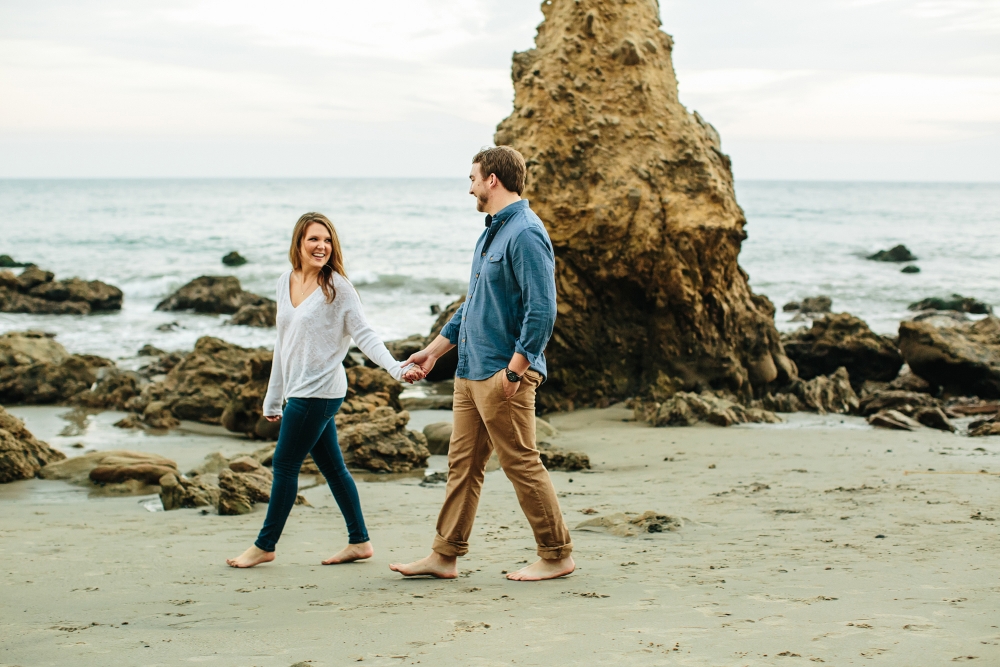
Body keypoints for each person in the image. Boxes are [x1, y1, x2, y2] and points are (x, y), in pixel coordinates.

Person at [389, 146, 574, 582]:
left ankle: (556, 554)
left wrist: (515, 369)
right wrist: (433, 351)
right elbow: (473, 304)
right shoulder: (492, 232)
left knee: (520, 463)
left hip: (501, 373)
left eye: (473, 176)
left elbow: (542, 309)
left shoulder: (526, 232)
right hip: (469, 370)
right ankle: (444, 555)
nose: (469, 185)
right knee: (462, 465)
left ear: (493, 179)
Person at [227, 212, 424, 568]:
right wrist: (274, 395)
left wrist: (396, 368)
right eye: (314, 239)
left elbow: (364, 334)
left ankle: (265, 545)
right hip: (298, 390)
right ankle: (360, 541)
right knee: (333, 468)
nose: (321, 246)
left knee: (284, 465)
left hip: (320, 391)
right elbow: (282, 342)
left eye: (327, 240)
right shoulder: (284, 282)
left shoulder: (338, 288)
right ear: (298, 244)